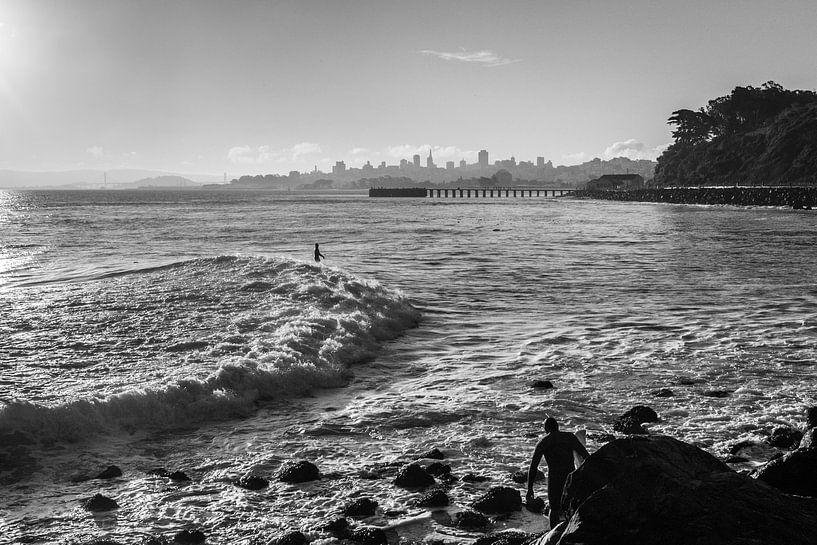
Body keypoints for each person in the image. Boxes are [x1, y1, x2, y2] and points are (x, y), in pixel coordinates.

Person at [526, 417, 589, 529]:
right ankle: (572, 531)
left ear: (546, 428)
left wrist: (530, 488)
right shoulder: (569, 437)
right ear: (557, 426)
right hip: (570, 478)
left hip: (555, 480)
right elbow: (585, 455)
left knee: (554, 509)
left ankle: (553, 535)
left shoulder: (544, 442)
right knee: (572, 507)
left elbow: (533, 467)